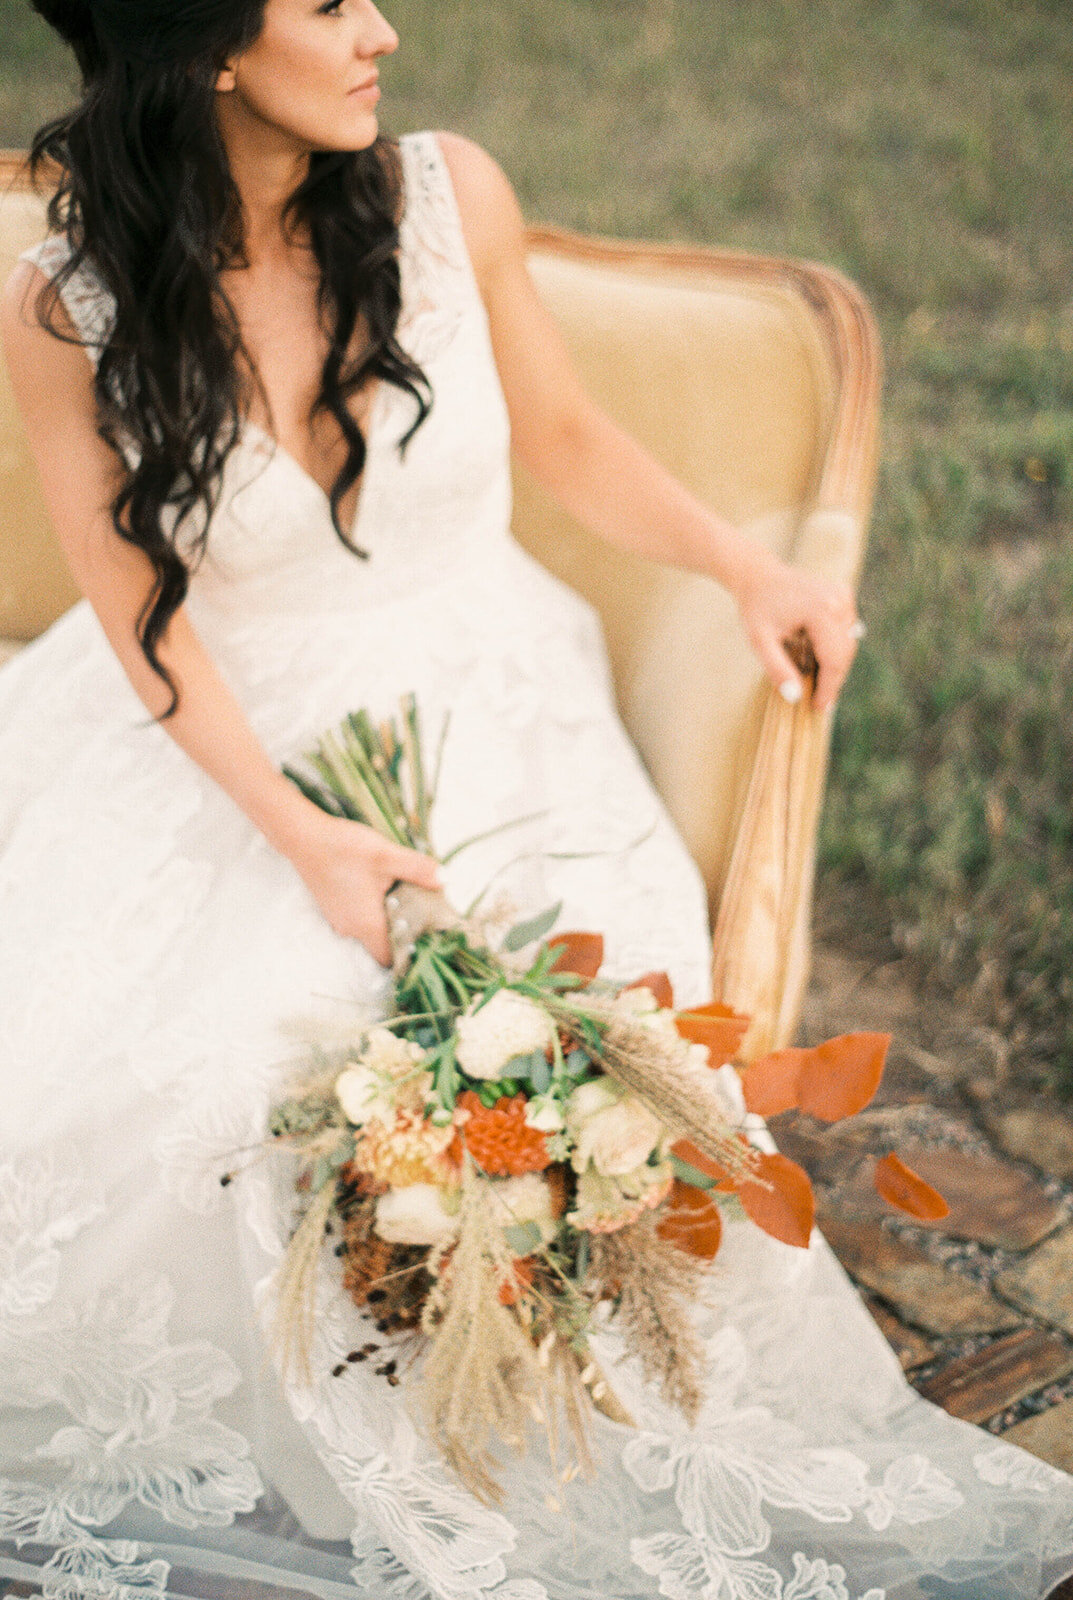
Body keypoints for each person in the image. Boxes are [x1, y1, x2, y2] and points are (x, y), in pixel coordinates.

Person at [0, 1, 1070, 1596]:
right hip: (218, 729)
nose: (384, 28)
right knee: (205, 1079)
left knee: (567, 1039)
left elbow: (562, 435)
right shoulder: (60, 308)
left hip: (487, 697)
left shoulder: (444, 193)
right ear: (207, 45)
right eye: (329, 2)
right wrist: (301, 835)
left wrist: (742, 561)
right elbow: (142, 619)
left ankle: (523, 1412)